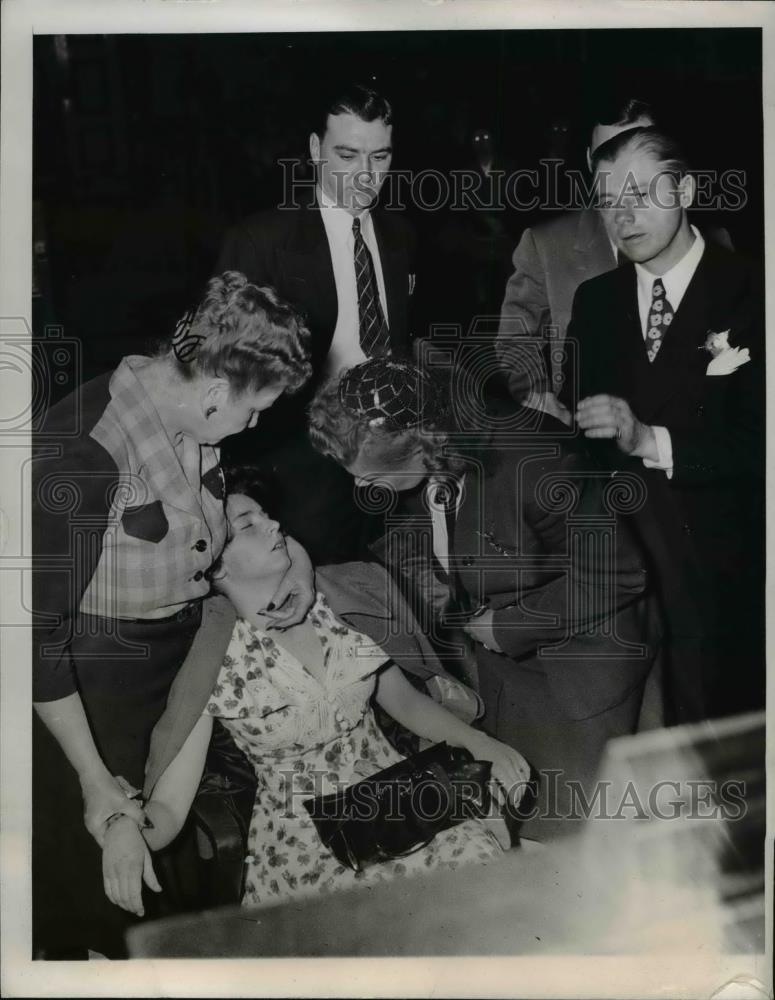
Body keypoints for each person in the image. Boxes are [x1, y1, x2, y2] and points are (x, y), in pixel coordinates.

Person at [32, 272, 315, 958]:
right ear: (216, 391)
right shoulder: (84, 451)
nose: (252, 428)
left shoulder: (187, 411)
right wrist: (96, 781)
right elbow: (30, 638)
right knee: (96, 899)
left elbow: (200, 549)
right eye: (253, 413)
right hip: (90, 695)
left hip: (175, 672)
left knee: (162, 887)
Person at [101, 489, 529, 917]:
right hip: (303, 840)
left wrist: (481, 743)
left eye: (267, 514)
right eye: (249, 525)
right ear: (214, 564)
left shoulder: (337, 608)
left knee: (479, 879)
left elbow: (407, 703)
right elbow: (170, 806)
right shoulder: (213, 659)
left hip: (398, 798)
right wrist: (127, 829)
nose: (274, 525)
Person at [308, 359, 660, 840]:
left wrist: (504, 627)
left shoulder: (538, 460)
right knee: (511, 822)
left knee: (576, 838)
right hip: (505, 668)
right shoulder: (413, 457)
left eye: (368, 478)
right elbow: (419, 538)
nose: (359, 489)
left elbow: (619, 573)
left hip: (582, 666)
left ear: (421, 447)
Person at [566, 125, 764, 723]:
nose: (624, 217)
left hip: (733, 577)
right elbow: (581, 443)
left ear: (686, 190)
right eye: (609, 202)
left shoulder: (757, 290)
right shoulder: (595, 301)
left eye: (642, 195)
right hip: (629, 580)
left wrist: (649, 440)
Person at [215, 82, 416, 564]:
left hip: (391, 456)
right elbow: (229, 370)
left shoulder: (401, 233)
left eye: (380, 157)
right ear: (313, 149)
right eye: (348, 154)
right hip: (299, 466)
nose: (366, 176)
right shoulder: (263, 240)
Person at [496, 98, 656, 421]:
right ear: (588, 161)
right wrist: (536, 393)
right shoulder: (546, 245)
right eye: (607, 157)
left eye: (639, 154)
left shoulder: (711, 245)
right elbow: (515, 337)